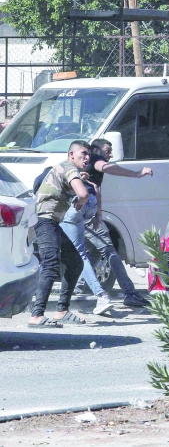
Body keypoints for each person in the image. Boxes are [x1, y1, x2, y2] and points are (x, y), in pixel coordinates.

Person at [72, 138, 154, 308]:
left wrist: (99, 215)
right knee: (110, 251)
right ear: (96, 150)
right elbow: (106, 168)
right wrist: (137, 174)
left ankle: (78, 290)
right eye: (107, 150)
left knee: (94, 252)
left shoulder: (84, 164)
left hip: (83, 210)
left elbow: (95, 189)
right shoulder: (94, 160)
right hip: (86, 210)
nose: (111, 154)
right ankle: (130, 293)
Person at [27, 140, 92, 327]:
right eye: (83, 154)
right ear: (71, 154)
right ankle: (36, 315)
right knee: (50, 265)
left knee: (75, 262)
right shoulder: (69, 167)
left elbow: (71, 184)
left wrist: (81, 177)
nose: (87, 158)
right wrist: (81, 201)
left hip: (50, 221)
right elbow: (83, 193)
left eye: (88, 155)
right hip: (44, 220)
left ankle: (61, 310)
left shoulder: (69, 169)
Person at [57, 169, 114, 316]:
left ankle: (101, 296)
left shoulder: (60, 177)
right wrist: (98, 216)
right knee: (82, 252)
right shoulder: (85, 180)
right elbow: (95, 188)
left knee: (77, 254)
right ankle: (80, 286)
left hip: (75, 207)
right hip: (90, 205)